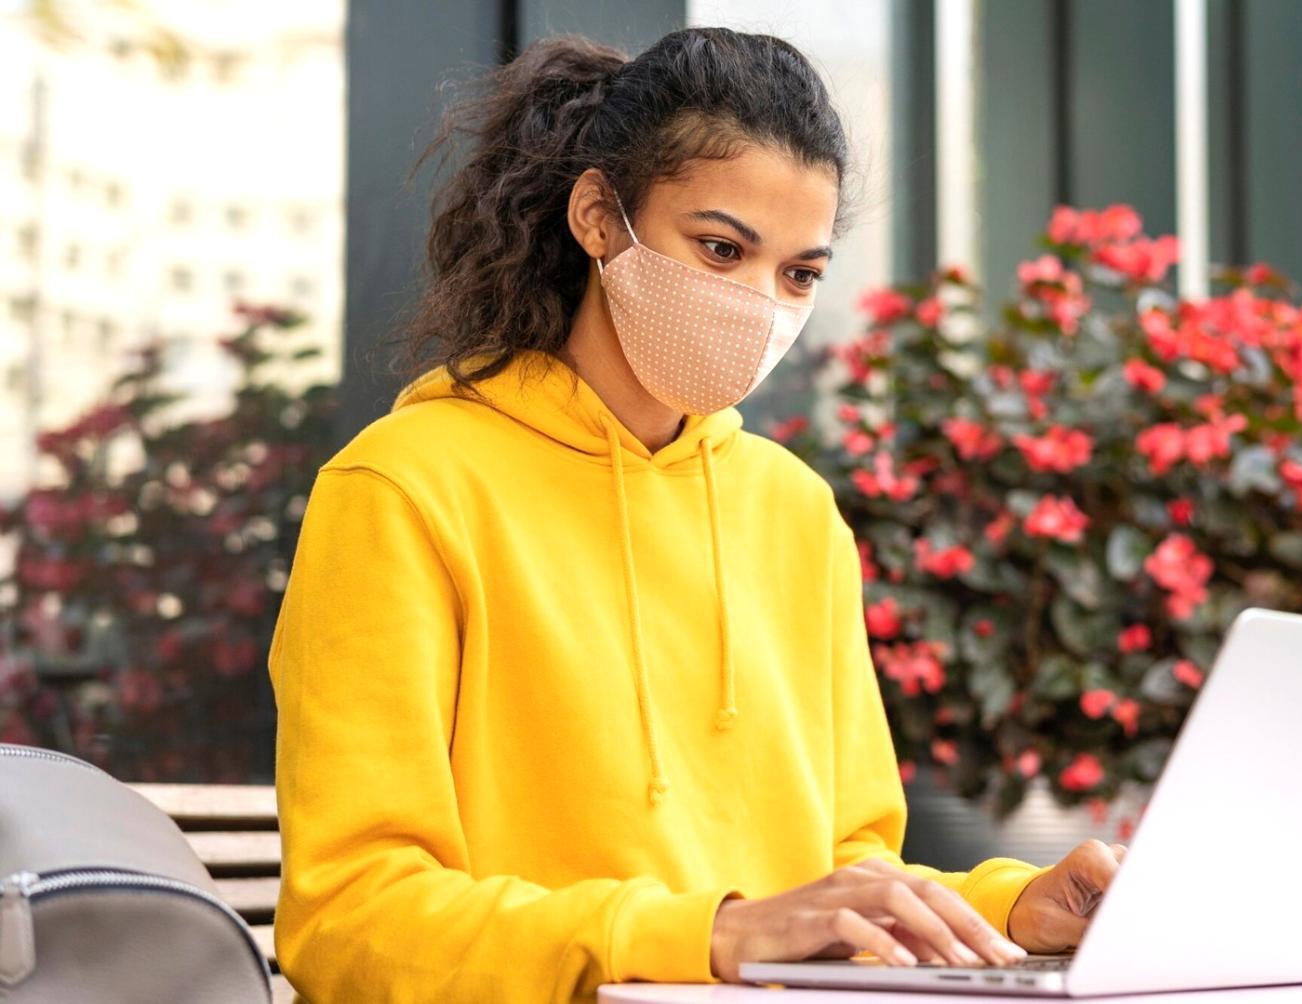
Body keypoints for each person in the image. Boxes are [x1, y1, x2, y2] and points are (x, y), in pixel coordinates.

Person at [267, 25, 1123, 1004]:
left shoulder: (795, 510)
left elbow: (844, 867)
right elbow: (351, 919)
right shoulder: (403, 486)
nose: (759, 302)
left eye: (798, 272)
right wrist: (704, 933)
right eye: (721, 247)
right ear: (597, 215)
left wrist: (1011, 909)